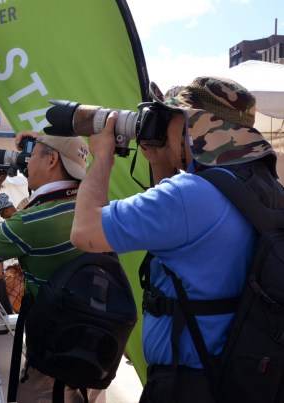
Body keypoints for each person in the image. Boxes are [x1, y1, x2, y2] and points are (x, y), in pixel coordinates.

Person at [70, 76, 283, 402]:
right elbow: (185, 231)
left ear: (192, 126)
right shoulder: (262, 187)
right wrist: (160, 158)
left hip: (186, 386)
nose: (163, 124)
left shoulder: (190, 196)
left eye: (170, 116)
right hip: (240, 380)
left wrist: (102, 156)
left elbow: (85, 232)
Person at [0, 135, 105, 402]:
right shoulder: (95, 204)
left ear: (52, 160)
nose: (27, 164)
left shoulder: (34, 220)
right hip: (96, 349)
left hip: (53, 357)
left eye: (32, 157)